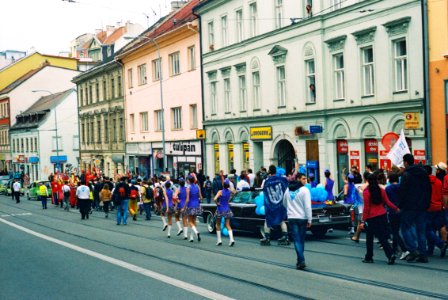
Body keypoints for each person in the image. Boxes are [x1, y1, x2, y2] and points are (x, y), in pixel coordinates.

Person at [399, 154, 431, 263]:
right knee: (421, 231)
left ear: (406, 162)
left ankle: (413, 250)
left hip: (410, 206)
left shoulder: (406, 174)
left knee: (405, 228)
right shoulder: (423, 173)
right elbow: (428, 189)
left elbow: (403, 192)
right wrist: (426, 203)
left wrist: (400, 205)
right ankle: (423, 254)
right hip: (422, 206)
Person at [361, 173, 399, 264]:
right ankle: (390, 255)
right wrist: (396, 208)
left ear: (368, 181)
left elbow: (366, 207)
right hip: (382, 215)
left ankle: (369, 256)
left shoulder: (366, 192)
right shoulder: (381, 190)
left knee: (369, 238)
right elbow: (388, 202)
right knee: (382, 237)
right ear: (377, 180)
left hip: (371, 217)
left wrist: (363, 220)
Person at [283, 173, 312, 270]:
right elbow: (307, 206)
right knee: (301, 240)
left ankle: (300, 261)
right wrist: (310, 219)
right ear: (298, 179)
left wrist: (290, 210)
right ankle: (301, 259)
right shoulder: (305, 190)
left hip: (292, 218)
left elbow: (284, 203)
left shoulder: (288, 189)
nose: (305, 181)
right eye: (303, 179)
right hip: (302, 218)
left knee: (296, 240)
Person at [260, 165, 290, 246]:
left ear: (269, 171)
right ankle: (285, 237)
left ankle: (267, 238)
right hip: (280, 204)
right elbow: (287, 185)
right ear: (276, 171)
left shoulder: (267, 181)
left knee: (268, 220)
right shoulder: (282, 179)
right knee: (281, 220)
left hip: (271, 205)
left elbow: (264, 192)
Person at [423, 165, 447, 257]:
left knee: (427, 229)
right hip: (438, 207)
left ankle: (440, 244)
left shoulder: (424, 182)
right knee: (433, 228)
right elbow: (442, 194)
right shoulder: (438, 181)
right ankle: (430, 250)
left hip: (428, 208)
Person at [385, 172, 408, 259]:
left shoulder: (388, 188)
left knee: (394, 231)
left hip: (392, 211)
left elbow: (386, 201)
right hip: (401, 210)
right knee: (399, 230)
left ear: (390, 180)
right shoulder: (401, 187)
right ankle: (394, 249)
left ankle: (404, 249)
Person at [214, 179, 235, 246]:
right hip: (227, 209)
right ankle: (231, 239)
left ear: (223, 185)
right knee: (227, 224)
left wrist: (217, 203)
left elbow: (214, 199)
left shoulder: (220, 191)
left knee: (218, 224)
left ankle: (219, 240)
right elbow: (234, 193)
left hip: (220, 209)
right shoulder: (229, 191)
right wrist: (228, 201)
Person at [183, 175, 203, 242]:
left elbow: (187, 199)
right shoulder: (197, 186)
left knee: (190, 221)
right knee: (194, 221)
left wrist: (184, 207)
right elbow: (201, 197)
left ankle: (196, 232)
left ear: (189, 180)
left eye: (187, 180)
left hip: (190, 205)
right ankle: (191, 237)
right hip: (197, 205)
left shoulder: (188, 188)